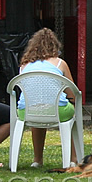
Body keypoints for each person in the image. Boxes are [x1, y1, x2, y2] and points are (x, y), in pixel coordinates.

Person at [18, 27, 79, 168]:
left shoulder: (24, 65)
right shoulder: (59, 63)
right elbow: (72, 93)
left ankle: (37, 159)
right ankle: (73, 158)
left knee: (38, 111)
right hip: (58, 111)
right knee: (69, 117)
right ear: (55, 46)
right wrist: (74, 102)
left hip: (27, 112)